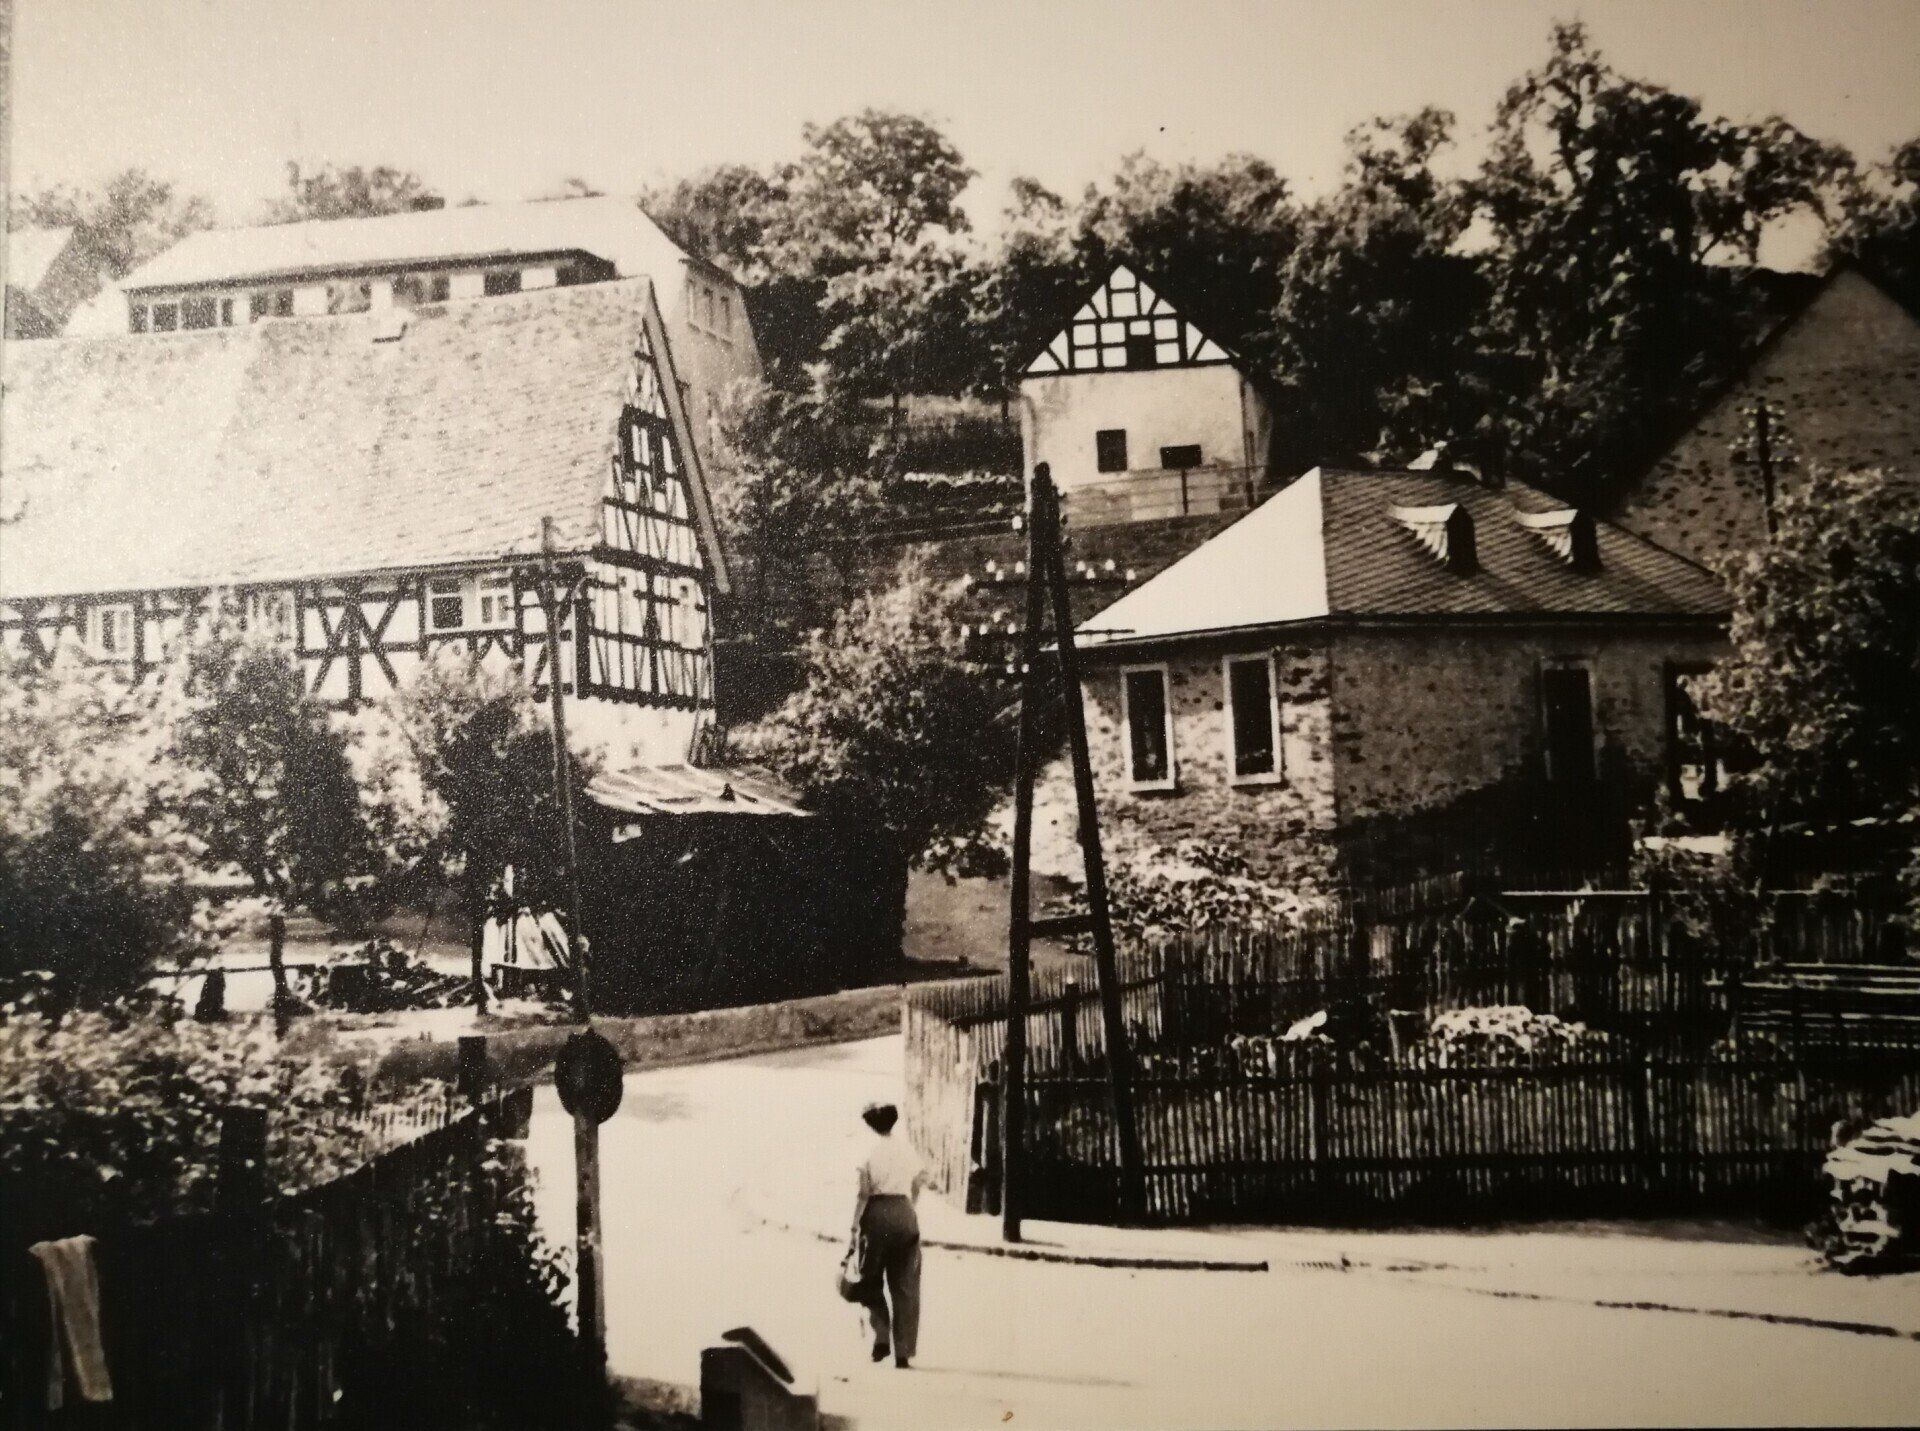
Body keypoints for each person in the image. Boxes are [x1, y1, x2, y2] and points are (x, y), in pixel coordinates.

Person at [850, 1101, 924, 1369]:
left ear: (869, 1124)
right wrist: (908, 1206)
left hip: (876, 1214)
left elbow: (863, 1193)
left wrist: (854, 1227)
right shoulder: (906, 1149)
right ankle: (903, 1352)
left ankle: (881, 1335)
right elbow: (918, 1182)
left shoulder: (867, 1150)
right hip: (904, 1212)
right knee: (906, 1285)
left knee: (869, 1279)